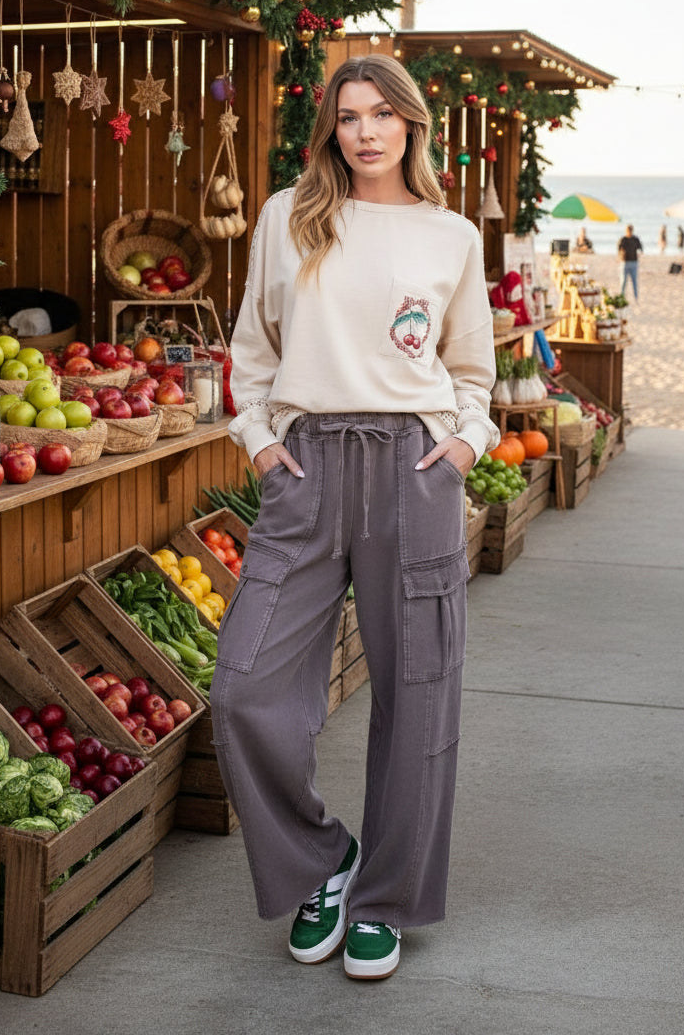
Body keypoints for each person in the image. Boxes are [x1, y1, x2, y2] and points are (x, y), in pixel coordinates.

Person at [211, 54, 499, 982]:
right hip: (306, 469)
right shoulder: (287, 218)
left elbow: (472, 372)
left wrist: (463, 446)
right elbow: (251, 348)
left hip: (415, 470)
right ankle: (324, 858)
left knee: (419, 693)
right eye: (348, 117)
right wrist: (257, 440)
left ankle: (384, 900)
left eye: (381, 114)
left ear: (412, 124)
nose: (364, 131)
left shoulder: (451, 235)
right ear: (329, 129)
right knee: (244, 688)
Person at [618, 223, 643, 300]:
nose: (629, 232)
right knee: (623, 281)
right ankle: (622, 296)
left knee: (634, 281)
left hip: (633, 262)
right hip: (625, 262)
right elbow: (619, 249)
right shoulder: (623, 239)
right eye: (628, 230)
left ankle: (636, 297)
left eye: (630, 230)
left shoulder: (635, 239)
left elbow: (640, 248)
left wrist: (639, 254)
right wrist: (620, 256)